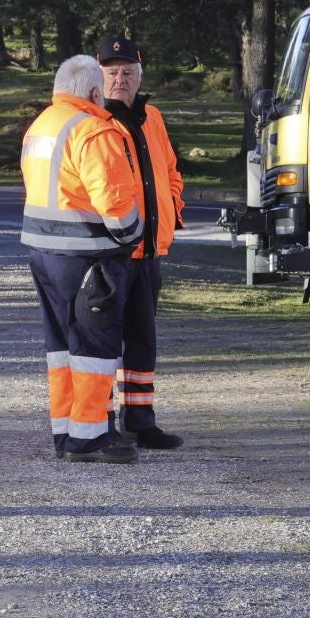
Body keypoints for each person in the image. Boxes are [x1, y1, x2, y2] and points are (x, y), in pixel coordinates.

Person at [20, 55, 146, 464]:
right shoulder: (93, 130)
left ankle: (67, 431)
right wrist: (133, 236)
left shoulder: (42, 125)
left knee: (61, 348)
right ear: (95, 91)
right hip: (89, 256)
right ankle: (89, 438)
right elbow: (113, 201)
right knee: (95, 345)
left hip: (45, 254)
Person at [97, 37, 187, 450]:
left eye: (127, 72)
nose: (120, 79)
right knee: (102, 342)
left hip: (149, 251)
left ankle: (141, 420)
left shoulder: (152, 116)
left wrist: (173, 211)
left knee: (142, 341)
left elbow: (170, 170)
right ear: (98, 77)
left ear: (139, 75)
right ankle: (102, 422)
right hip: (110, 253)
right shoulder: (93, 120)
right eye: (112, 72)